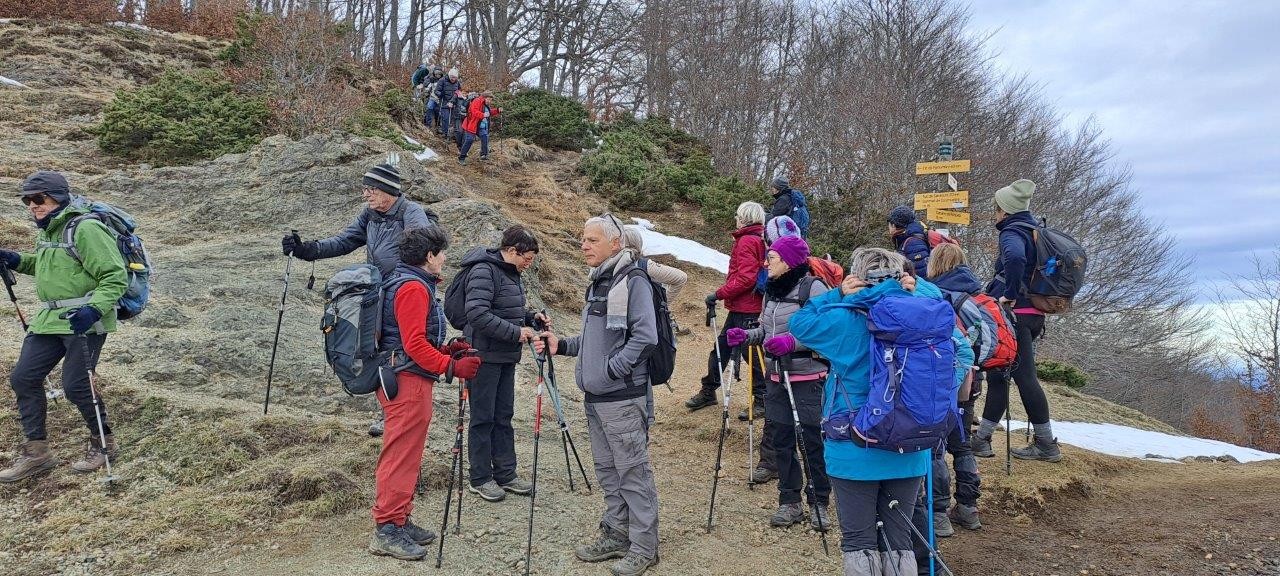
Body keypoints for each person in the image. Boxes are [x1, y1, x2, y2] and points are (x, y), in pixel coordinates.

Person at [790, 247, 964, 576]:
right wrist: (919, 288)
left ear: (858, 277)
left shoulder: (844, 319)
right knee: (900, 542)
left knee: (859, 541)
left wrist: (837, 294)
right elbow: (955, 356)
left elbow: (801, 323)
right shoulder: (925, 317)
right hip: (911, 445)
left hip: (853, 445)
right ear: (903, 277)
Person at [535, 213, 660, 576]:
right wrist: (562, 346)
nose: (583, 245)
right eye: (582, 239)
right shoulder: (599, 282)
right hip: (597, 398)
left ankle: (644, 547)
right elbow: (595, 341)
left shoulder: (632, 281)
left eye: (591, 239)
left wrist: (609, 371)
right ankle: (617, 532)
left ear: (615, 243)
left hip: (622, 397)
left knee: (633, 472)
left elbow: (645, 337)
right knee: (608, 471)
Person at [281, 163, 439, 437]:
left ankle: (397, 413)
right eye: (365, 189)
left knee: (401, 349)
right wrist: (308, 250)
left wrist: (406, 277)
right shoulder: (370, 215)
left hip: (406, 290)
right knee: (379, 349)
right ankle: (389, 411)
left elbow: (422, 247)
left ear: (387, 190)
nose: (365, 195)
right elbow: (344, 241)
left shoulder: (411, 212)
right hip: (378, 292)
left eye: (370, 189)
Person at [0, 171, 129, 482]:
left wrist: (93, 310)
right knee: (24, 378)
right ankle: (37, 453)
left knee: (75, 385)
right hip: (49, 320)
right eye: (27, 200)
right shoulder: (48, 231)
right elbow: (47, 266)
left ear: (58, 197)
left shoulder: (86, 228)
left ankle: (104, 443)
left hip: (85, 320)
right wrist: (16, 259)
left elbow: (115, 276)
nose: (32, 205)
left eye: (38, 198)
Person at [368, 225, 481, 560]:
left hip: (404, 376)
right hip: (407, 382)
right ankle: (387, 528)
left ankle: (399, 519)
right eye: (442, 252)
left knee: (406, 452)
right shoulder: (413, 288)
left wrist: (447, 351)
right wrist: (451, 366)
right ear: (429, 256)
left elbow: (412, 341)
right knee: (401, 453)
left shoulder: (406, 282)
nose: (445, 258)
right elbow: (414, 345)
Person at [725, 235, 831, 529]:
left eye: (771, 258)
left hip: (807, 376)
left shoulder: (814, 288)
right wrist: (747, 337)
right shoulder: (771, 290)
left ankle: (819, 501)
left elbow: (825, 331)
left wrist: (792, 343)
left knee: (811, 441)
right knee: (781, 441)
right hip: (775, 376)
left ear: (788, 261)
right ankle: (789, 502)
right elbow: (765, 329)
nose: (765, 262)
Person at [454, 225, 547, 502]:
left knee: (503, 415)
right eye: (527, 257)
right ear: (511, 250)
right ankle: (480, 477)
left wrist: (531, 318)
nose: (529, 263)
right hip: (482, 356)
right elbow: (477, 313)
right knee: (483, 418)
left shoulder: (510, 272)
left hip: (505, 356)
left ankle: (506, 473)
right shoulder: (484, 270)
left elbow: (506, 310)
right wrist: (517, 333)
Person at [973, 179, 1061, 462]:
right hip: (1033, 313)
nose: (995, 214)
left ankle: (1046, 445)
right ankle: (982, 439)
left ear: (1005, 210)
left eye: (996, 209)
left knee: (1023, 377)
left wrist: (1008, 295)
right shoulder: (1035, 230)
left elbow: (1014, 259)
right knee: (1000, 372)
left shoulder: (1012, 232)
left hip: (1015, 316)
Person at [924, 243, 984, 535]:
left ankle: (937, 514)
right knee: (962, 444)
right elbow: (986, 344)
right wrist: (970, 369)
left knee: (936, 448)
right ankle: (968, 508)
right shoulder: (972, 299)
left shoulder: (930, 296)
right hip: (967, 383)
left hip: (935, 383)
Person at [685, 201, 766, 412]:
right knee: (724, 348)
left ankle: (762, 399)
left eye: (737, 215)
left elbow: (746, 278)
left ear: (743, 218)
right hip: (745, 305)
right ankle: (709, 390)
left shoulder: (747, 240)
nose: (735, 218)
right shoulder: (757, 238)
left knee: (749, 353)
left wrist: (718, 294)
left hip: (746, 307)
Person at [887, 205, 932, 277]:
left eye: (888, 224)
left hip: (918, 286)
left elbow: (921, 273)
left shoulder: (913, 242)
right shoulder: (906, 238)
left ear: (893, 225)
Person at [458, 91, 501, 165]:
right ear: (485, 97)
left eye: (491, 100)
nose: (490, 101)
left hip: (479, 126)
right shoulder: (477, 101)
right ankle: (461, 158)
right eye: (489, 99)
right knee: (469, 140)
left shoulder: (485, 104)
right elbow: (474, 112)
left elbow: (489, 112)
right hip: (471, 124)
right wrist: (483, 115)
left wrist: (497, 110)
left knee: (484, 136)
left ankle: (483, 155)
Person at [433, 68, 463, 144]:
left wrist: (455, 99)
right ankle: (445, 134)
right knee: (445, 118)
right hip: (444, 102)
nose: (453, 79)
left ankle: (452, 135)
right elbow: (436, 91)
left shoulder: (457, 82)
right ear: (449, 76)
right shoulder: (442, 80)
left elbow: (459, 91)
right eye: (452, 77)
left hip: (454, 102)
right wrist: (441, 94)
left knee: (453, 120)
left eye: (455, 78)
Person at [421, 65, 445, 132]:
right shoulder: (431, 79)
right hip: (432, 97)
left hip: (440, 98)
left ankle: (439, 126)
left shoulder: (443, 80)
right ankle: (428, 124)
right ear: (434, 73)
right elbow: (426, 85)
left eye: (439, 73)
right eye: (436, 73)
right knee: (429, 108)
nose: (438, 74)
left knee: (438, 112)